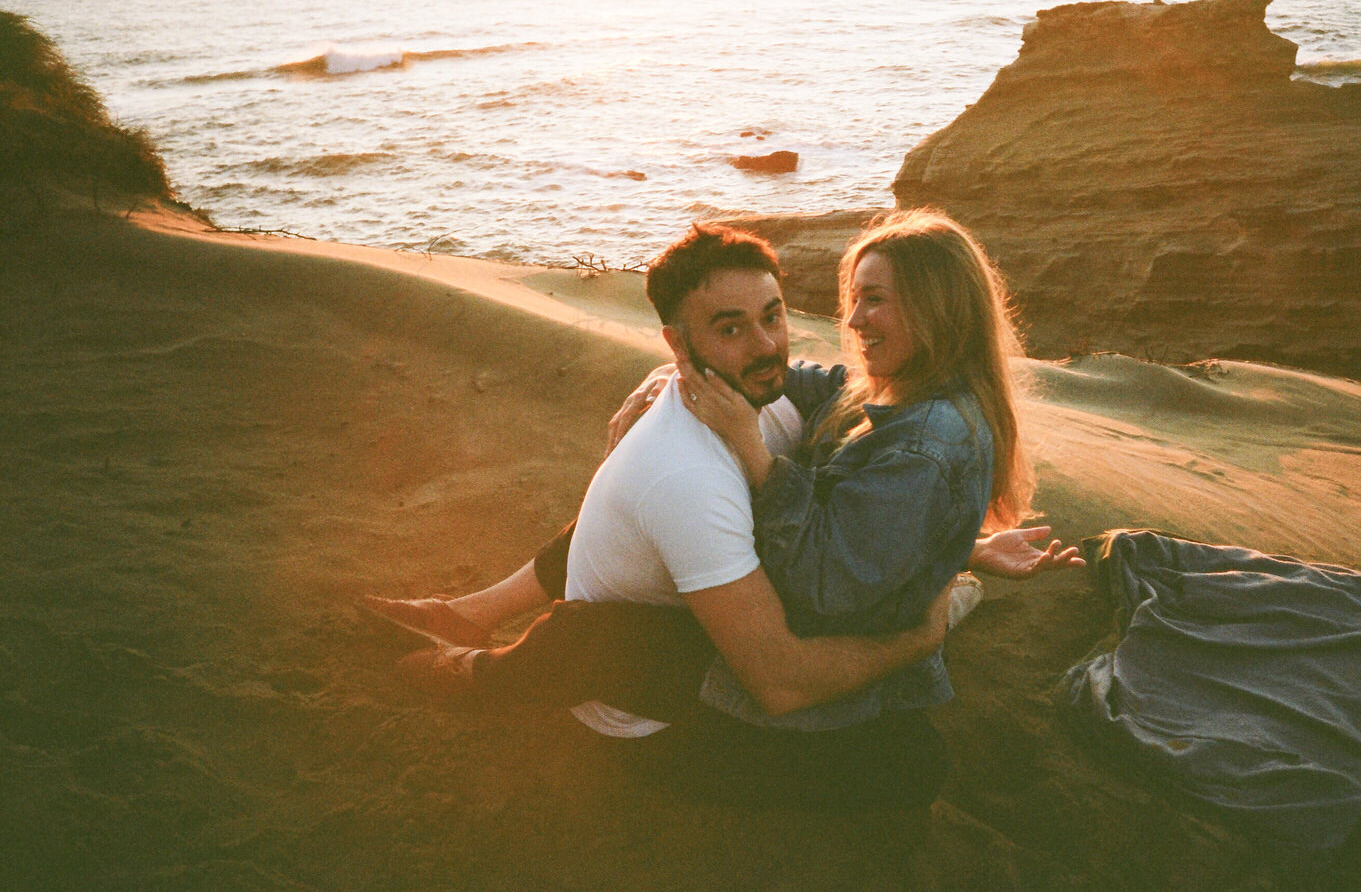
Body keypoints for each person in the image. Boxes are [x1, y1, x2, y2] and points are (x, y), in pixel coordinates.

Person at [366, 216, 1082, 808]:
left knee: (601, 629)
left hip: (814, 644)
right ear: (682, 341)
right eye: (732, 327)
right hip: (822, 609)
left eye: (876, 301)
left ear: (937, 310)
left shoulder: (918, 441)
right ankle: (473, 612)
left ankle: (478, 669)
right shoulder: (898, 386)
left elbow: (801, 633)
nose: (850, 320)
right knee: (652, 525)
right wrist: (666, 370)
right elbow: (824, 390)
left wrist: (922, 624)